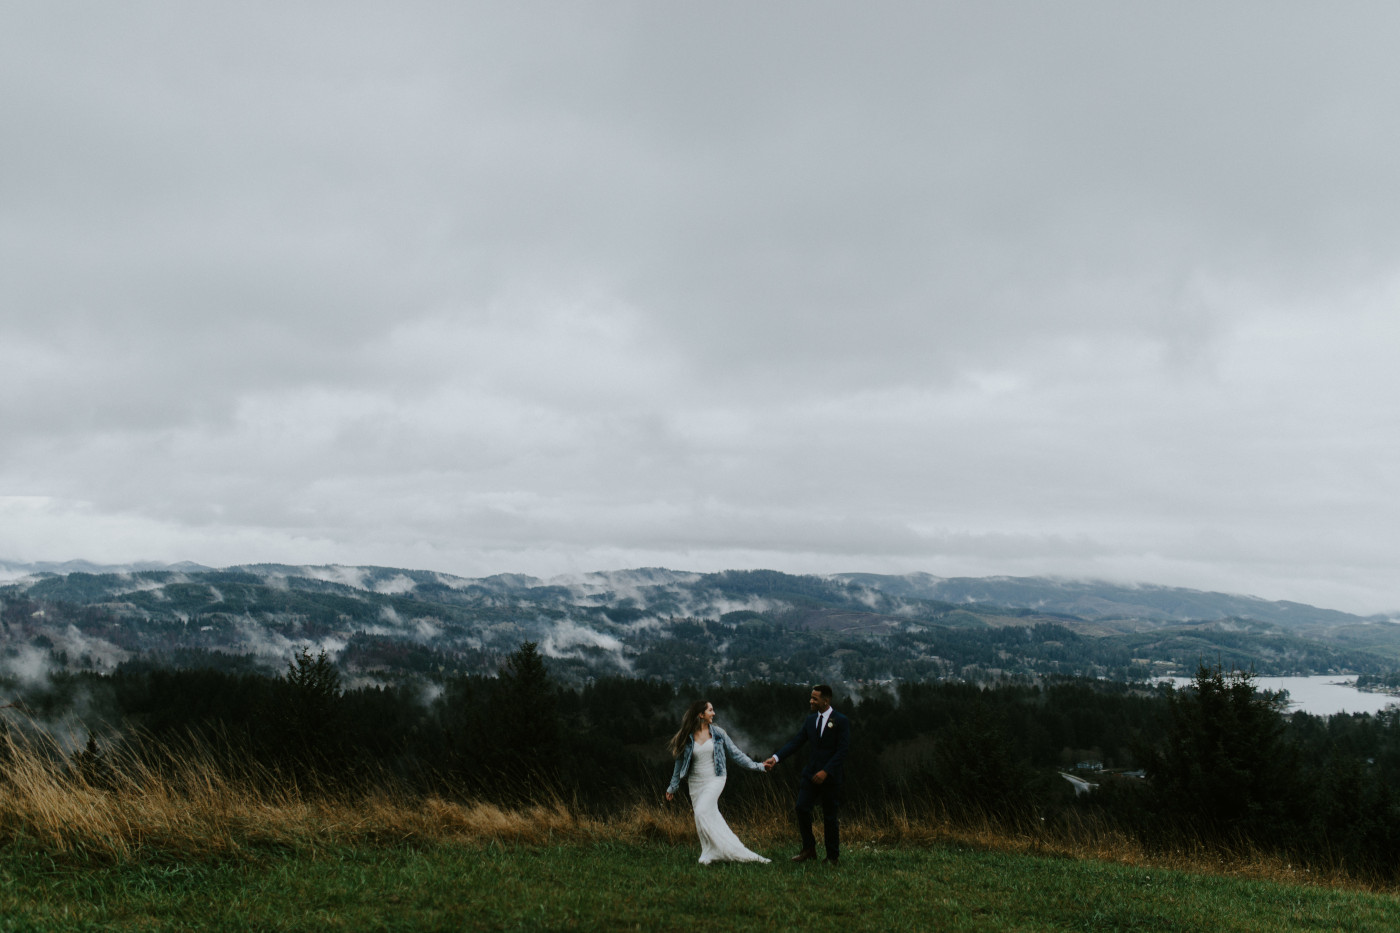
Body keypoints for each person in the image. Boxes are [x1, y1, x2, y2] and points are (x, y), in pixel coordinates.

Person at [665, 700, 771, 864]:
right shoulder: (687, 737)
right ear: (701, 714)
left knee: (701, 811)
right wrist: (673, 787)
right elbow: (679, 763)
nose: (713, 713)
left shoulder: (718, 733)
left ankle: (733, 851)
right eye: (710, 710)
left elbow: (736, 754)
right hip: (695, 782)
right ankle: (708, 852)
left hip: (716, 778)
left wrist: (758, 766)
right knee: (705, 816)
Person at [763, 683, 850, 865]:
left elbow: (842, 751)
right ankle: (808, 849)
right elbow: (797, 742)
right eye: (811, 697)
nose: (810, 701)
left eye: (814, 698)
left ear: (826, 701)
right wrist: (776, 758)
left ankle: (832, 857)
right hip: (810, 774)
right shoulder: (811, 720)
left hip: (830, 776)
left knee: (829, 817)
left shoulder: (841, 720)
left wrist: (826, 771)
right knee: (801, 808)